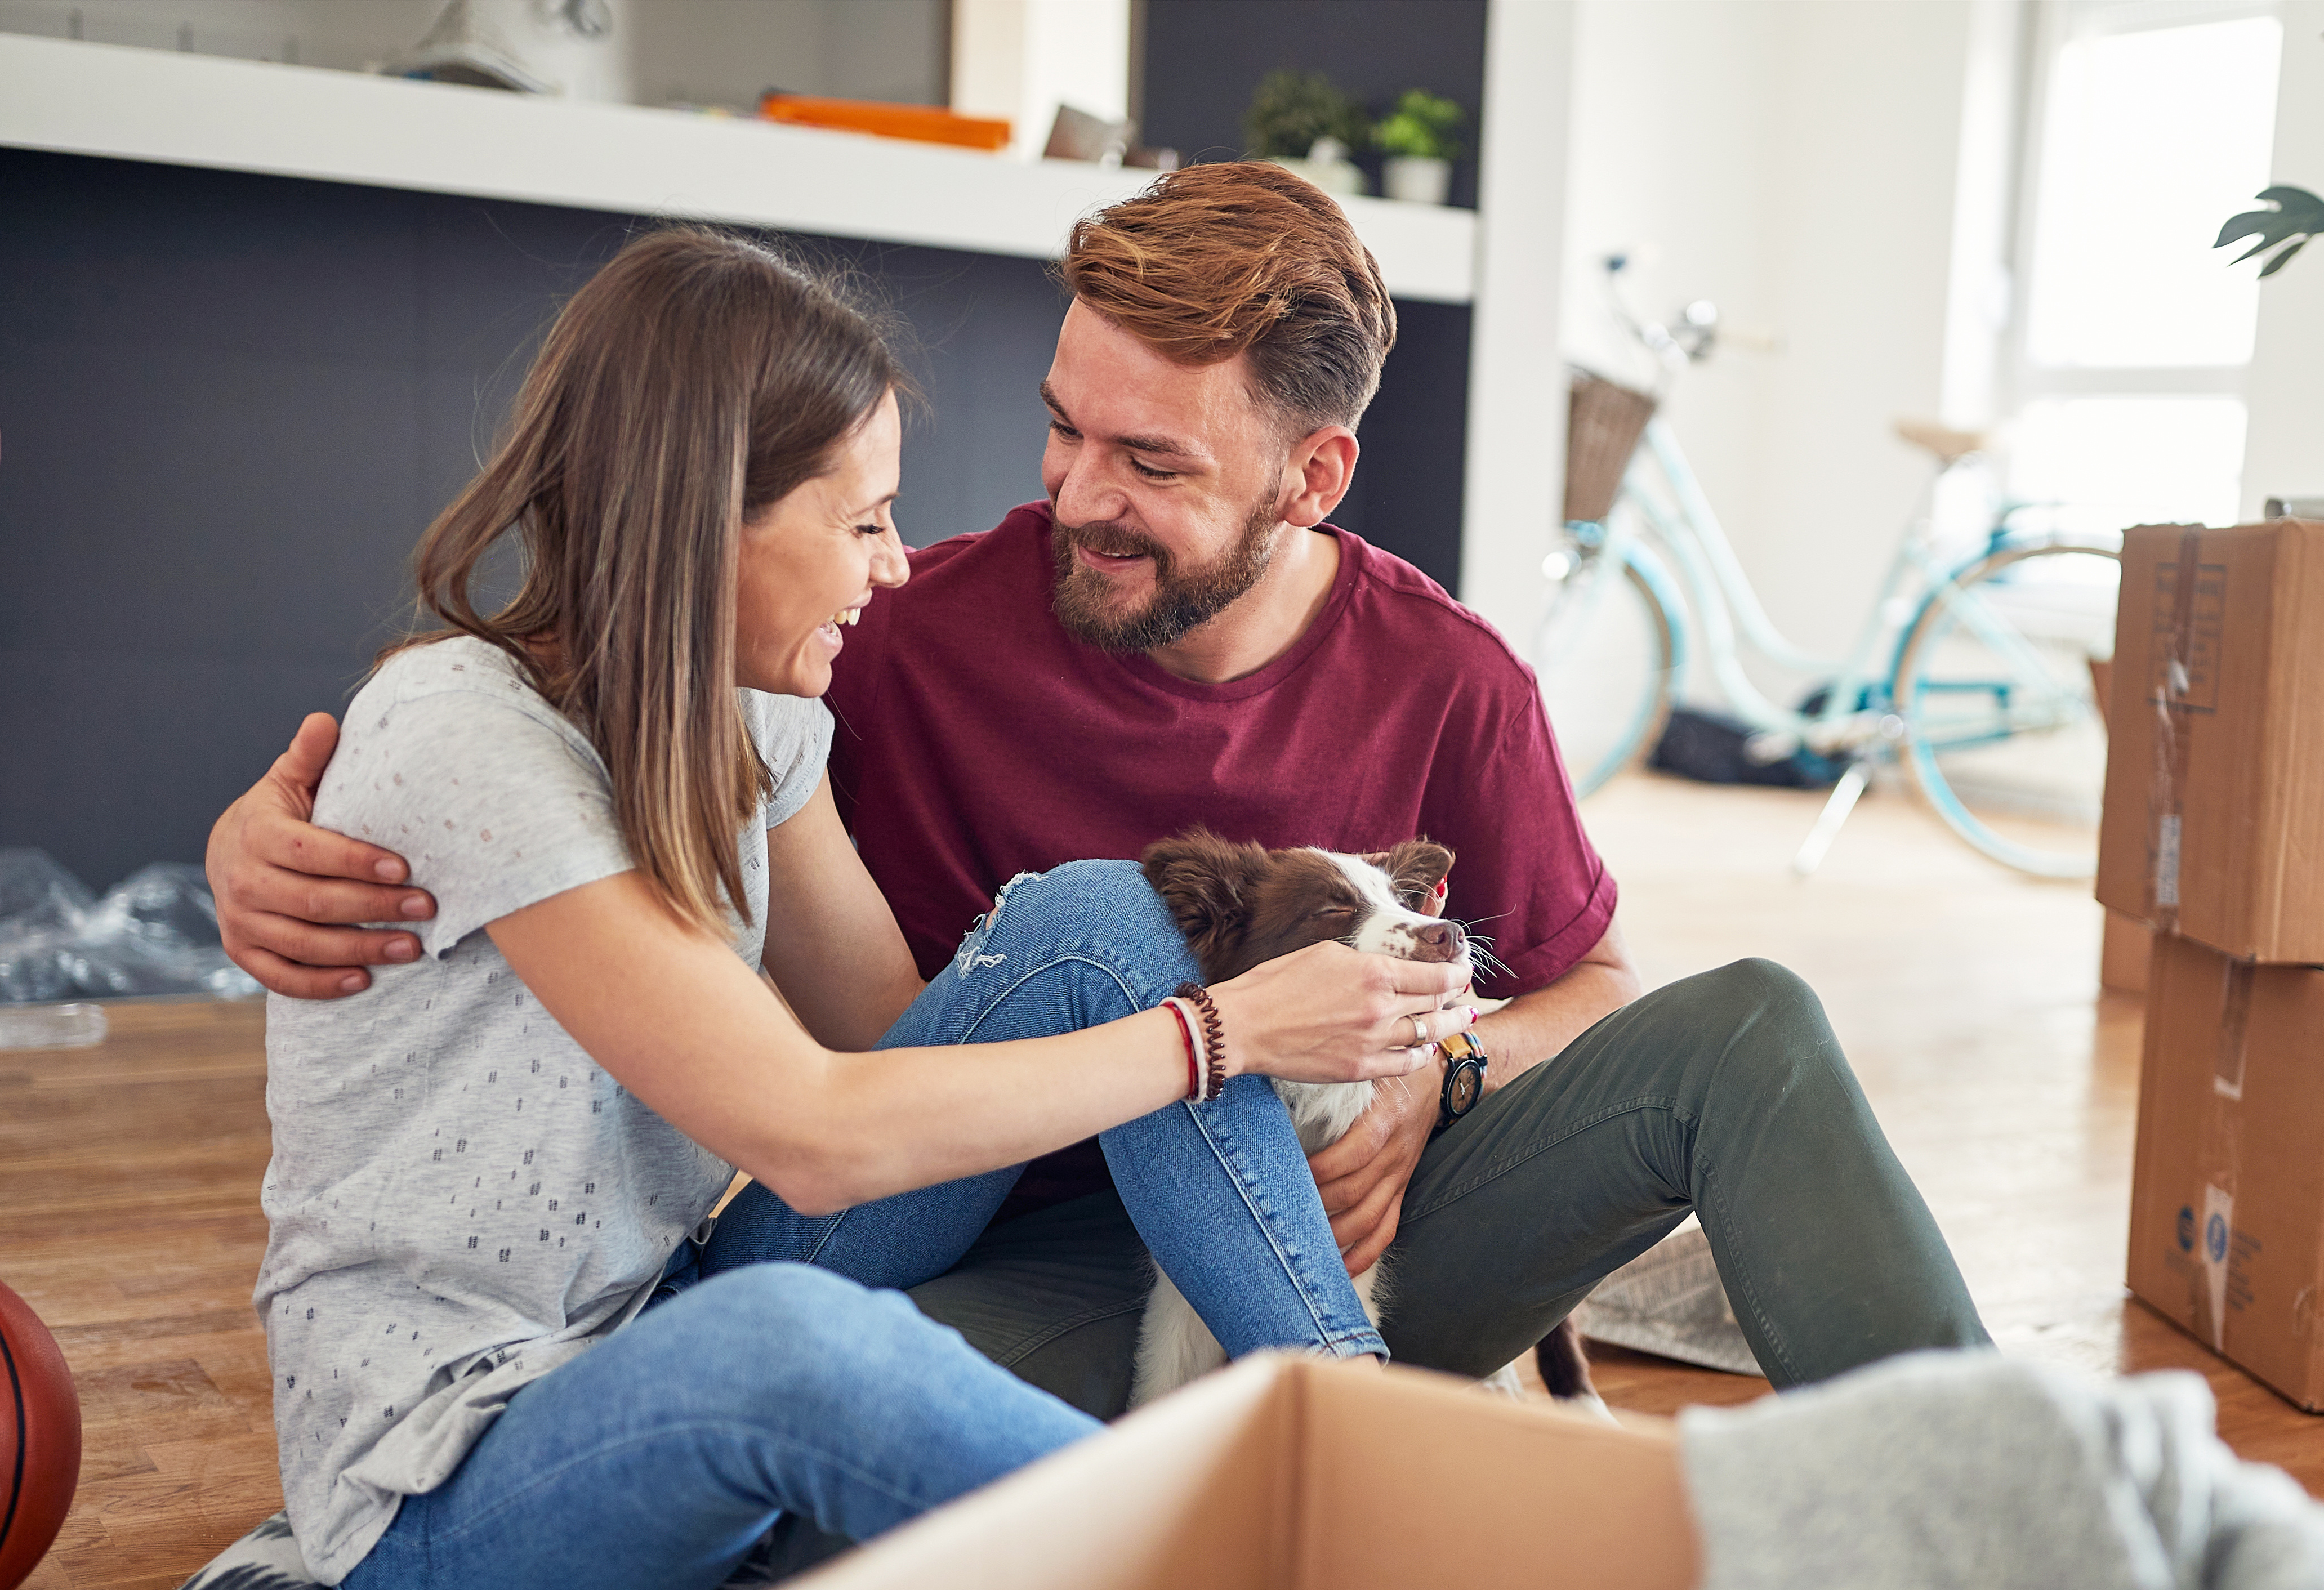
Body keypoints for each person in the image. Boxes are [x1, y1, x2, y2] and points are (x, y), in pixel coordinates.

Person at [214, 165, 1990, 1421]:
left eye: (1150, 462)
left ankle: (2027, 1538)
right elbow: (565, 701)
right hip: (1022, 1258)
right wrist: (279, 834)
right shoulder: (893, 629)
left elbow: (1586, 991)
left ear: (1313, 475)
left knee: (1753, 1028)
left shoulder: (1449, 679)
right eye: (1066, 427)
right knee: (841, 1421)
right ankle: (1315, 1480)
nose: (1073, 495)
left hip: (1343, 1231)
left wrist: (1422, 1065)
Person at [258, 226, 1473, 1590]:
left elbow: (904, 1048)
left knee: (1097, 918)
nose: (895, 569)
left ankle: (1356, 1435)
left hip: (668, 1315)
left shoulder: (759, 722)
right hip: (455, 1485)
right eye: (863, 523)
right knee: (792, 1347)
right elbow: (815, 1136)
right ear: (706, 513)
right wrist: (1234, 1032)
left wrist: (1219, 1001)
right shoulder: (465, 736)